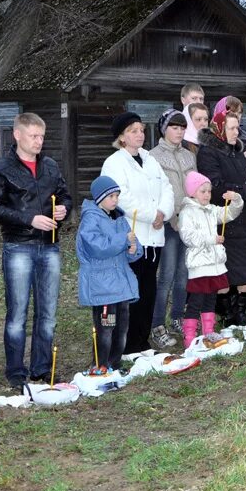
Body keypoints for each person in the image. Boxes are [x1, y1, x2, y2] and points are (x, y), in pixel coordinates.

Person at [0, 112, 72, 391]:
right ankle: (15, 371)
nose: (39, 141)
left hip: (50, 246)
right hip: (18, 246)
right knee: (18, 312)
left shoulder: (50, 166)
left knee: (48, 312)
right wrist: (29, 219)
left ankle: (42, 368)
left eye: (42, 136)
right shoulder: (0, 169)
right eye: (33, 136)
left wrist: (64, 209)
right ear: (17, 135)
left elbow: (65, 195)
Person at [101, 112, 175, 353]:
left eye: (142, 130)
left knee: (148, 290)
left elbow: (167, 188)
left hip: (155, 236)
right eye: (133, 131)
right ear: (121, 137)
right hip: (133, 237)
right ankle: (126, 344)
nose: (140, 134)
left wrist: (163, 212)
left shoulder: (150, 159)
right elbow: (120, 197)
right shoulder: (114, 163)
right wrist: (151, 214)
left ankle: (142, 341)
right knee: (131, 292)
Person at [197, 111, 246, 324]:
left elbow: (243, 180)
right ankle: (229, 313)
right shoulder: (208, 153)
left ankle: (240, 309)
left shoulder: (236, 151)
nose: (237, 132)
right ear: (219, 129)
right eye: (231, 128)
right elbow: (215, 186)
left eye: (238, 128)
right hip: (226, 220)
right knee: (227, 271)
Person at [76, 176, 143, 372]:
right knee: (106, 328)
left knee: (122, 327)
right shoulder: (90, 220)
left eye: (117, 196)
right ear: (99, 198)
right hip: (103, 286)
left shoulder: (120, 219)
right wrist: (123, 240)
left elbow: (131, 245)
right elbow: (98, 247)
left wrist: (133, 250)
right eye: (111, 196)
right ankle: (100, 365)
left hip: (120, 285)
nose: (115, 200)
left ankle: (115, 362)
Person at [178, 171, 243, 346]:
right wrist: (211, 239)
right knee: (196, 301)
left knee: (211, 299)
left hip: (214, 265)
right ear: (192, 193)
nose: (207, 195)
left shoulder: (212, 211)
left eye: (209, 191)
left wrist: (236, 199)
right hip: (199, 266)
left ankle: (208, 332)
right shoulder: (187, 213)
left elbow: (229, 214)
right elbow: (188, 236)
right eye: (202, 191)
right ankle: (189, 336)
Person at [148, 109, 195, 349]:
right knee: (165, 276)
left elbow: (194, 186)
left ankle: (177, 316)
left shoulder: (189, 156)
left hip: (188, 222)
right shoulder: (153, 156)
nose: (179, 131)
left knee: (183, 275)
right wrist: (169, 215)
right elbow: (155, 192)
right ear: (164, 129)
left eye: (182, 127)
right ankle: (157, 324)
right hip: (167, 224)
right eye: (174, 127)